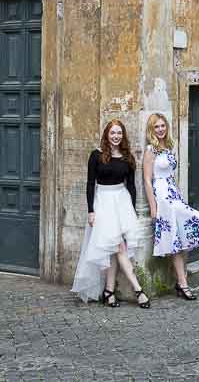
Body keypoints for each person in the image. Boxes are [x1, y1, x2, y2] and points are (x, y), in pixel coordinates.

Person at [71, 119, 150, 308]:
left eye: (119, 133)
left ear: (123, 135)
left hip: (121, 203)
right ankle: (138, 290)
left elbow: (131, 186)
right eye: (113, 133)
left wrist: (131, 210)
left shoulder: (128, 157)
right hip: (103, 203)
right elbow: (90, 185)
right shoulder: (96, 156)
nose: (116, 136)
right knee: (119, 247)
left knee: (115, 250)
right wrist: (90, 211)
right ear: (107, 134)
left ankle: (109, 292)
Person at [143, 112, 199, 300]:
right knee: (175, 241)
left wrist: (179, 194)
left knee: (186, 234)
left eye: (162, 126)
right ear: (151, 130)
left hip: (173, 194)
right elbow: (147, 180)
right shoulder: (150, 150)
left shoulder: (168, 147)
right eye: (156, 127)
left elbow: (171, 175)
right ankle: (183, 284)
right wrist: (153, 207)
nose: (160, 129)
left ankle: (180, 280)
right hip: (162, 197)